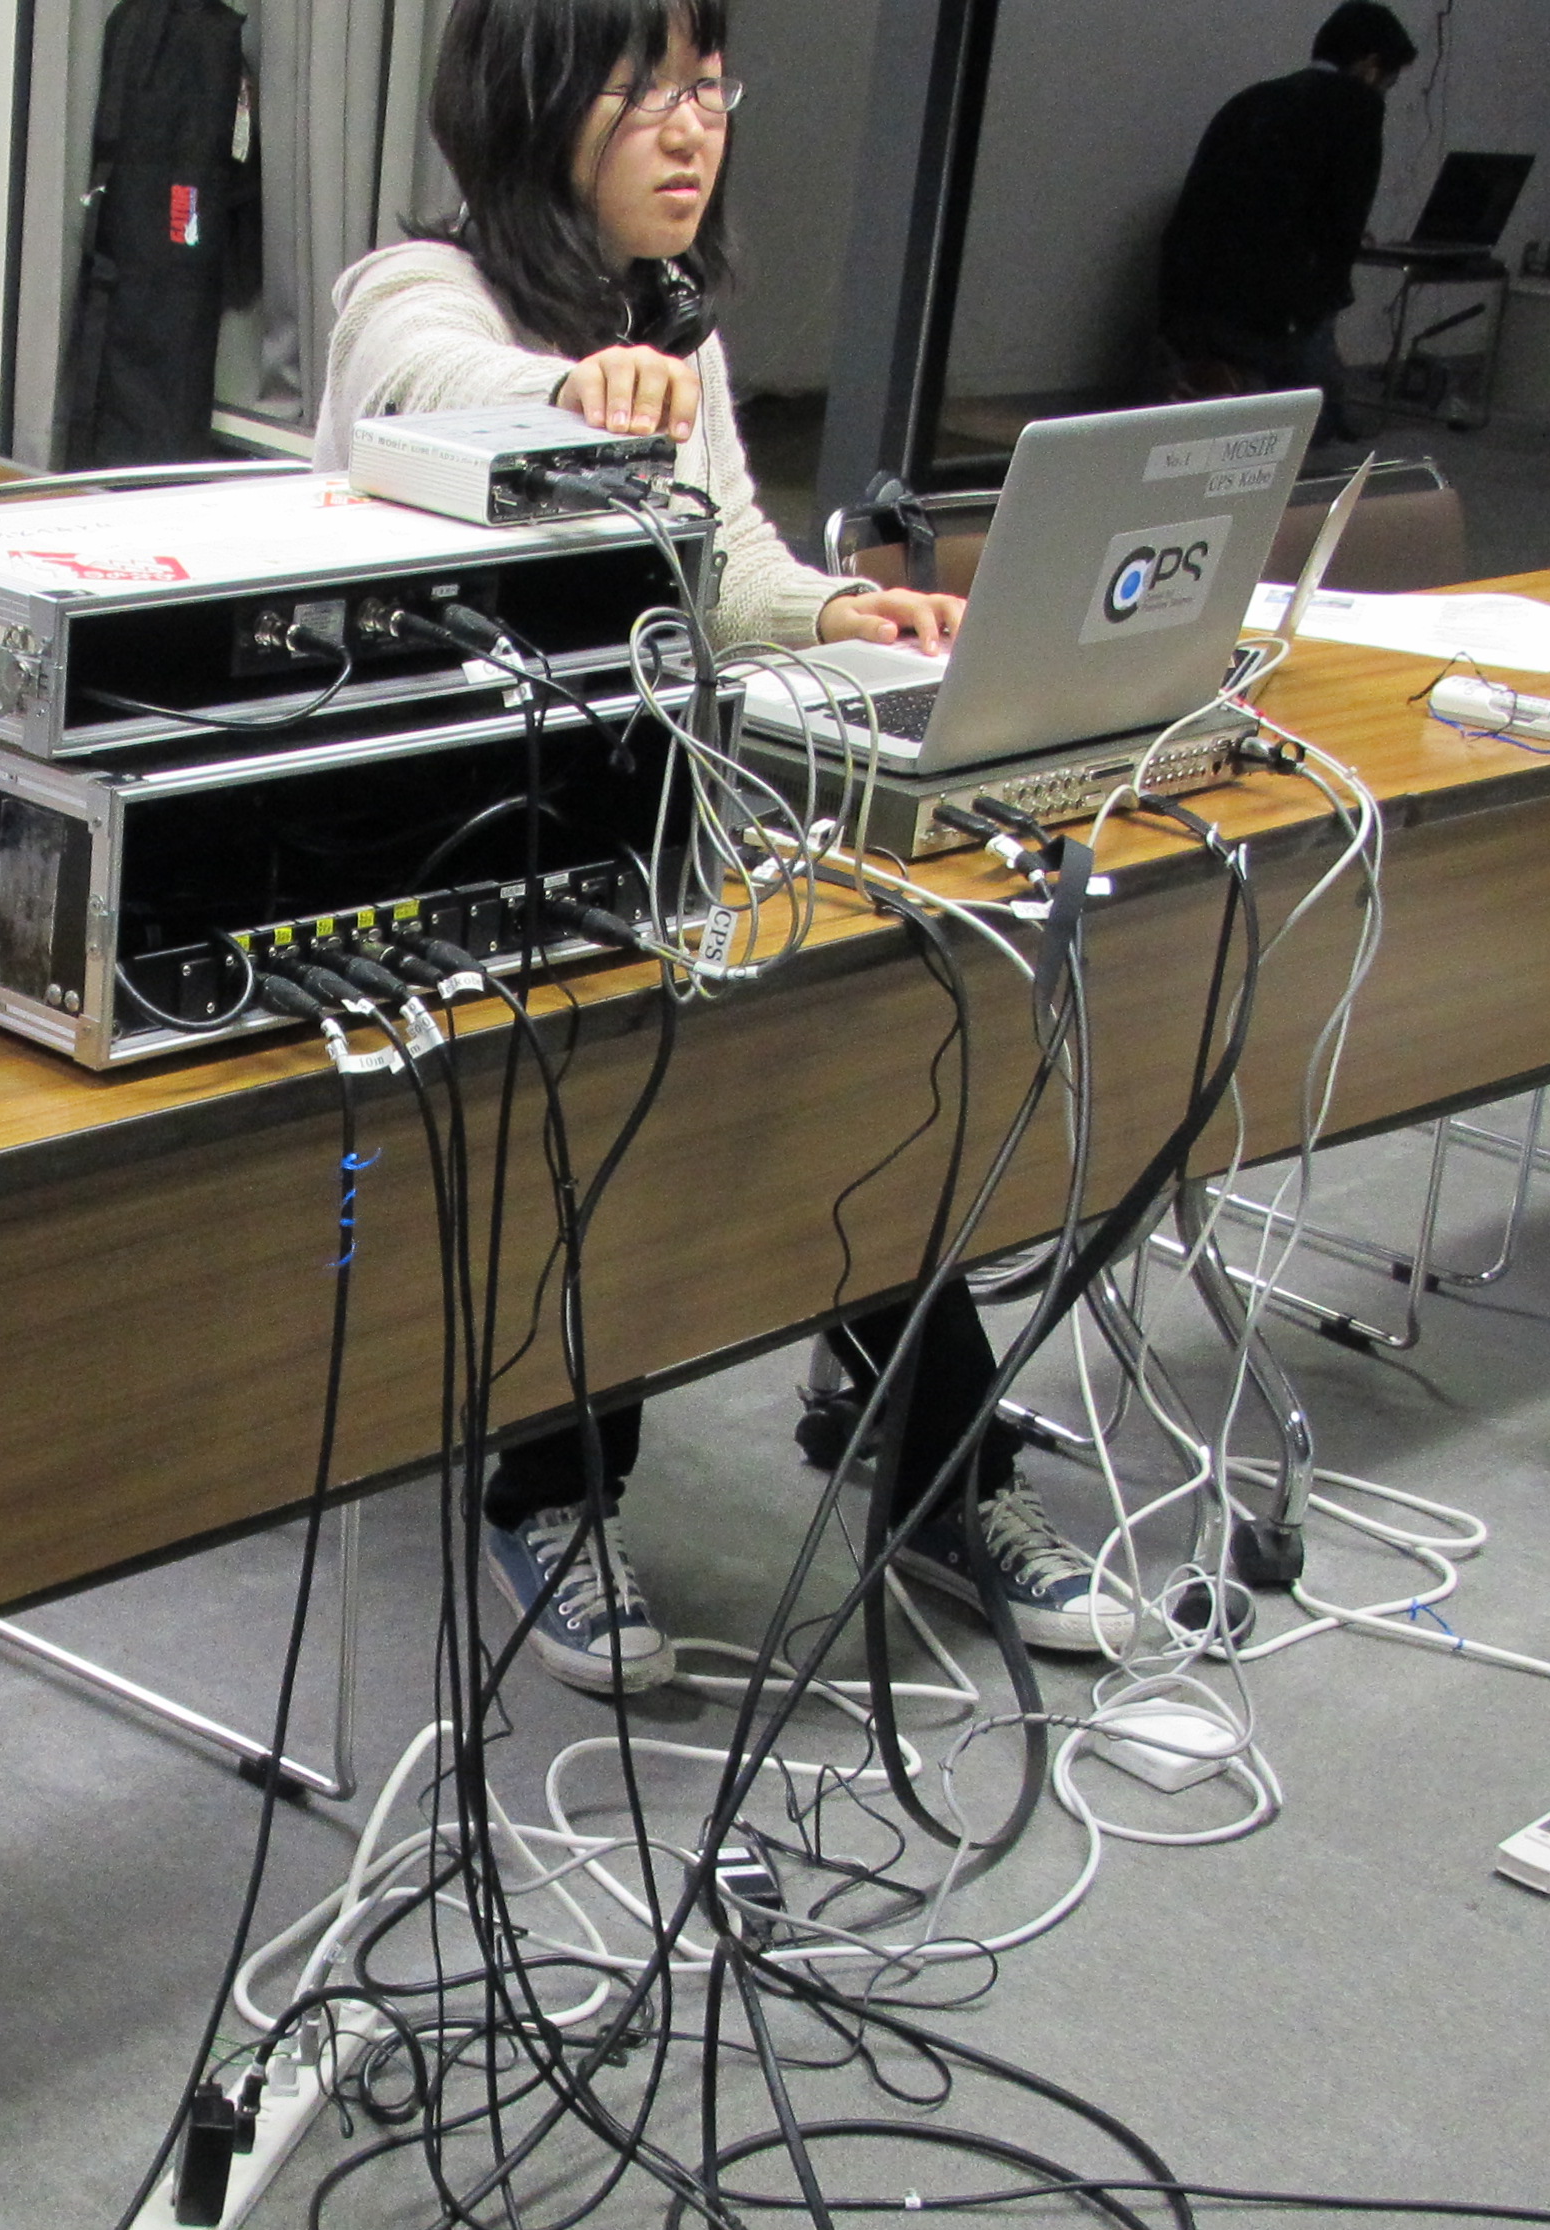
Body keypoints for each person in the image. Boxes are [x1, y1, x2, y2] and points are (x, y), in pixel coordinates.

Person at [315, 0, 1133, 1696]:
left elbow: (732, 567)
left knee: (868, 1028)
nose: (693, 129)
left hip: (632, 808)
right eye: (643, 93)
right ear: (538, 105)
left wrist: (841, 609)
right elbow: (435, 383)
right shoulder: (418, 288)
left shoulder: (665, 326)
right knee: (621, 1061)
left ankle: (943, 1472)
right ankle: (548, 1492)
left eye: (708, 88)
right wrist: (572, 388)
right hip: (434, 851)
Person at [1155, 3, 1419, 440]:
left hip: (1186, 294)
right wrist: (1336, 275)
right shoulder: (1357, 106)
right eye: (1389, 82)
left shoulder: (1253, 98)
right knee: (1313, 418)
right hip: (1266, 309)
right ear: (1370, 67)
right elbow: (1342, 217)